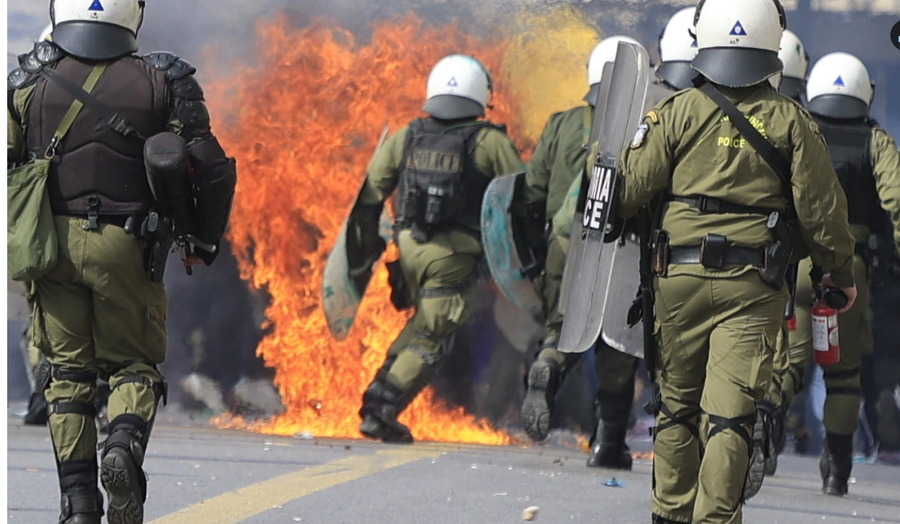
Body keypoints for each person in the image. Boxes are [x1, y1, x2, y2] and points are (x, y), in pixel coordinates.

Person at [612, 0, 859, 521]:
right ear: (772, 40)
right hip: (752, 286)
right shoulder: (793, 122)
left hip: (675, 279)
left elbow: (626, 194)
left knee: (676, 406)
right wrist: (838, 272)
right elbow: (821, 211)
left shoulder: (675, 112)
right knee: (729, 416)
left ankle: (669, 512)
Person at [7, 0, 237, 522]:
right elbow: (211, 167)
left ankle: (79, 505)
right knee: (132, 364)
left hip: (51, 247)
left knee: (67, 375)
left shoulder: (26, 79)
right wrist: (201, 239)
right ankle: (123, 446)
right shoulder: (166, 80)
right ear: (131, 14)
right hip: (129, 245)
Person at [356, 54, 525, 443]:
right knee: (434, 336)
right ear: (481, 95)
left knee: (421, 325)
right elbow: (522, 198)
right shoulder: (490, 142)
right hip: (452, 258)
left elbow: (369, 195)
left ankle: (378, 394)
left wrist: (370, 247)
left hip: (409, 250)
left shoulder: (406, 136)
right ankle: (381, 408)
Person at [518, 35, 644, 470]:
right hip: (621, 247)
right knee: (617, 345)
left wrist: (536, 259)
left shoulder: (561, 123)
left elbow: (530, 193)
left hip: (565, 242)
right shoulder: (647, 125)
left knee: (564, 326)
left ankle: (549, 366)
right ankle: (608, 442)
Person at [781, 51, 900, 496]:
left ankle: (767, 424)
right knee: (843, 373)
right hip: (846, 275)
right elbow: (897, 200)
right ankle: (836, 470)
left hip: (795, 264)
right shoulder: (876, 141)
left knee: (790, 362)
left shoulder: (796, 130)